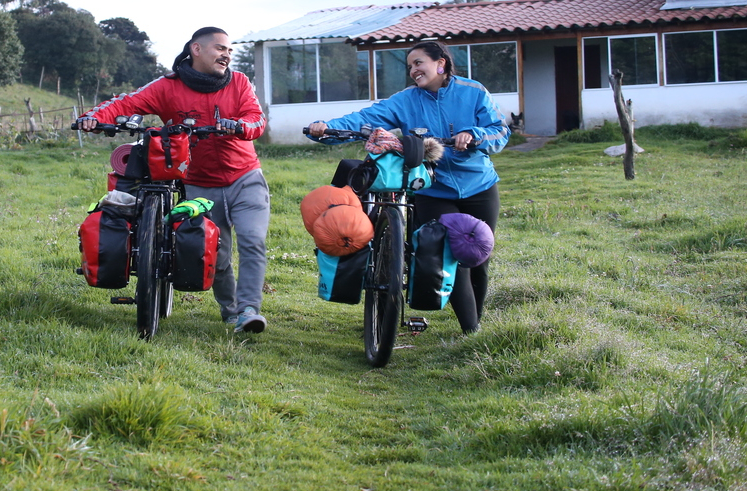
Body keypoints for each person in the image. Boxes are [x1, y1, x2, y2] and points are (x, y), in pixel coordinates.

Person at [77, 27, 272, 333]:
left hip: (245, 177)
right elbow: (127, 103)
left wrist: (238, 127)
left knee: (253, 242)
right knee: (217, 251)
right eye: (220, 48)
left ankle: (249, 309)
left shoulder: (239, 82)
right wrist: (92, 118)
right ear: (196, 49)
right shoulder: (168, 86)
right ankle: (232, 311)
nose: (226, 55)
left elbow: (256, 119)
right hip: (198, 183)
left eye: (229, 51)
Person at [306, 41, 508, 333]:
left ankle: (474, 322)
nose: (413, 70)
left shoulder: (473, 91)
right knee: (452, 255)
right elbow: (364, 119)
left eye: (418, 63)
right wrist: (326, 128)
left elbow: (500, 131)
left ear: (441, 63)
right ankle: (471, 331)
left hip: (479, 186)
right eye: (410, 66)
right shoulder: (406, 100)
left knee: (477, 257)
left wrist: (474, 135)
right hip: (432, 189)